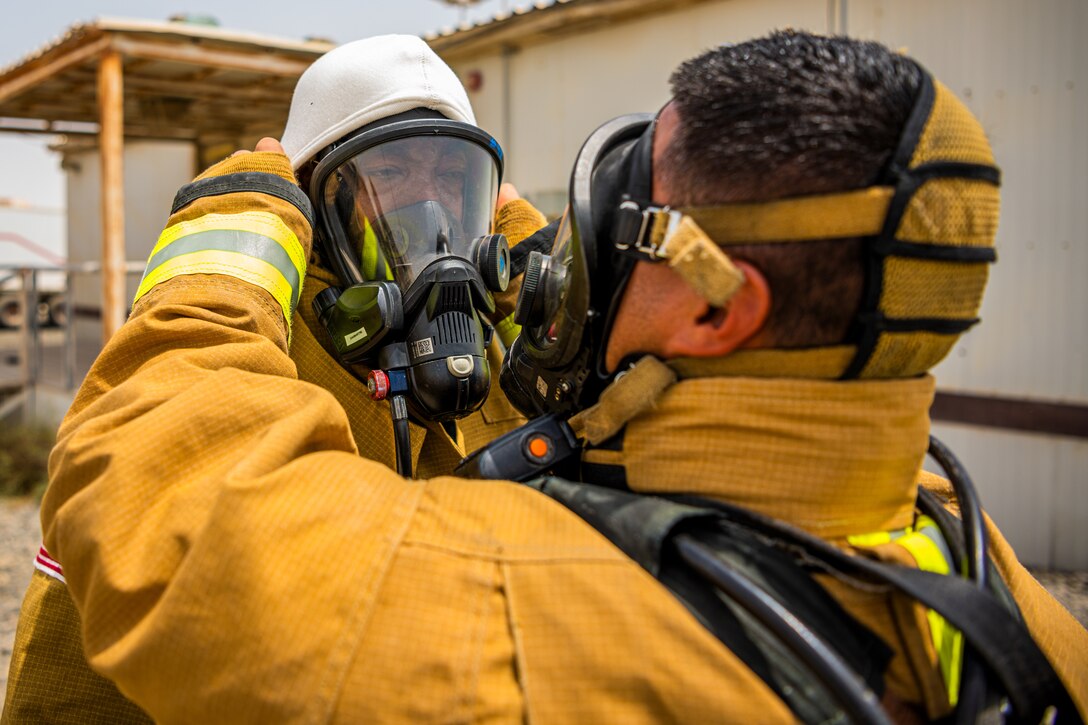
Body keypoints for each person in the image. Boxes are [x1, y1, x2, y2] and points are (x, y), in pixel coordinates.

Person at [13, 30, 1088, 723]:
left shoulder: (501, 599)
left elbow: (166, 498)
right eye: (394, 193)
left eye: (457, 191)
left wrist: (214, 274)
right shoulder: (967, 555)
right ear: (312, 217)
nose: (441, 236)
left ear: (719, 309)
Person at [1, 35, 544, 724]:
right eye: (395, 170)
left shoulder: (501, 359)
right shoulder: (244, 359)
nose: (430, 206)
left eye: (452, 177)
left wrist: (561, 310)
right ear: (314, 200)